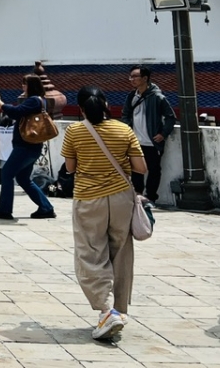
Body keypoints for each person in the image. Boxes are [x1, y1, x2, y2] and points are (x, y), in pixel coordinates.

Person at [61, 85, 147, 342]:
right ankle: (118, 310)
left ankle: (105, 310)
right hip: (121, 198)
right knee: (120, 252)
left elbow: (70, 167)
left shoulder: (75, 131)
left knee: (91, 253)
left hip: (89, 198)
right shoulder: (123, 129)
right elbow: (140, 167)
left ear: (81, 109)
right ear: (107, 104)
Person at [0, 74, 57, 220]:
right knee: (23, 178)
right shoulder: (37, 101)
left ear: (31, 86)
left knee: (7, 173)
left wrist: (0, 103)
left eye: (25, 84)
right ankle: (46, 207)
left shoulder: (34, 100)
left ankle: (5, 209)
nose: (22, 87)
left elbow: (16, 112)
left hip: (25, 147)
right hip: (31, 146)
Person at [121, 65, 175, 204]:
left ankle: (151, 197)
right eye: (130, 76)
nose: (131, 80)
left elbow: (170, 117)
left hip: (152, 142)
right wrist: (128, 128)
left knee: (154, 170)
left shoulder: (157, 97)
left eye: (135, 77)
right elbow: (125, 114)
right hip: (135, 141)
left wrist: (163, 134)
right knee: (136, 170)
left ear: (145, 78)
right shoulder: (132, 96)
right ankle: (137, 194)